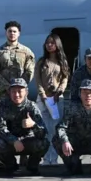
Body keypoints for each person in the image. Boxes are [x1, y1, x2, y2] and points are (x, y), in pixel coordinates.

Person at [0, 78, 49, 175]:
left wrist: (33, 125)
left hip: (27, 141)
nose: (16, 95)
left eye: (19, 91)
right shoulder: (4, 105)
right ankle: (10, 165)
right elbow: (0, 128)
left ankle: (32, 165)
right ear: (9, 92)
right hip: (10, 142)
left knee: (44, 142)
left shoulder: (31, 106)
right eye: (13, 91)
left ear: (26, 92)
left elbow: (43, 132)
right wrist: (14, 140)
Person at [33, 33, 70, 165]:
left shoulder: (62, 62)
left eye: (52, 43)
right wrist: (42, 94)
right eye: (47, 42)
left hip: (56, 99)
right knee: (44, 129)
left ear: (57, 44)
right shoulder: (41, 61)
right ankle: (45, 158)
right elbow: (37, 79)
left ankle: (53, 158)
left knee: (54, 130)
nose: (49, 45)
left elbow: (65, 79)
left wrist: (58, 92)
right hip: (42, 99)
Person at [0, 20, 35, 97]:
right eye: (9, 31)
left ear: (19, 33)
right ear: (6, 33)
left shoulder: (27, 52)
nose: (12, 33)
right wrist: (7, 87)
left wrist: (18, 86)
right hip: (3, 92)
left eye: (14, 31)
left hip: (21, 91)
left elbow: (30, 71)